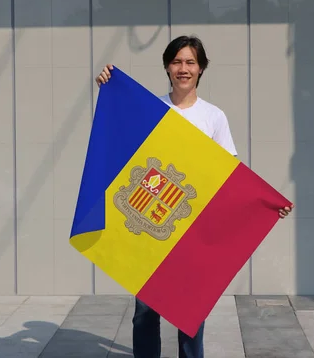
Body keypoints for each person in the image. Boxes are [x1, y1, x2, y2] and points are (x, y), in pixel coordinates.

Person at [95, 35, 293, 358]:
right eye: (176, 62)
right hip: (151, 228)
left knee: (190, 317)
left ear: (201, 69)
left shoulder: (213, 117)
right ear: (167, 67)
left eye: (190, 62)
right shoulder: (151, 109)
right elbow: (118, 133)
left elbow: (231, 176)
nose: (183, 68)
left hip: (192, 232)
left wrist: (266, 202)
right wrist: (107, 87)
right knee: (145, 313)